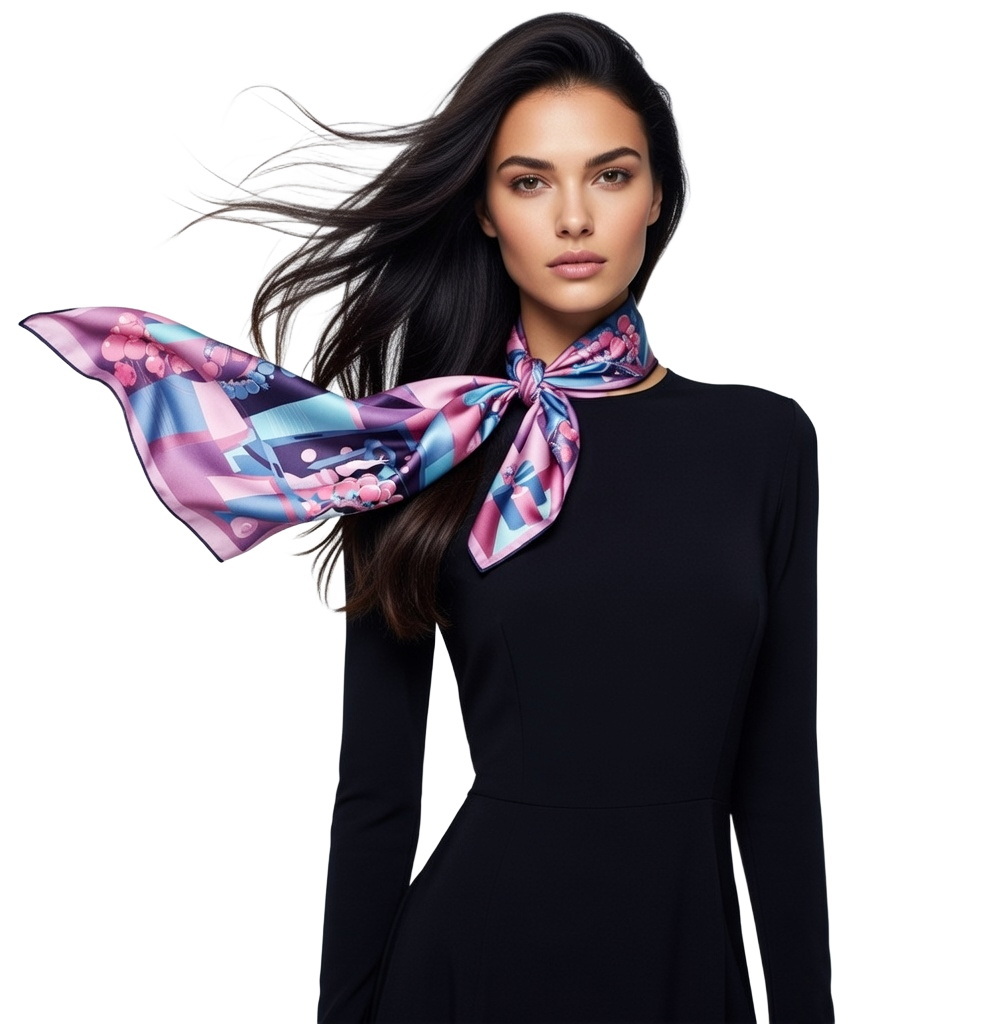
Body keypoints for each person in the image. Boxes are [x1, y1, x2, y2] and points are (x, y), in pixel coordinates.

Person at [19, 12, 835, 1024]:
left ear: (658, 193)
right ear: (486, 210)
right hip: (467, 974)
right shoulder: (416, 446)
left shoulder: (763, 441)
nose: (573, 217)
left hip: (684, 967)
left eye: (610, 175)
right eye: (529, 181)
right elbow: (376, 789)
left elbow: (779, 780)